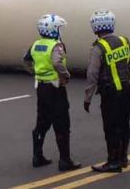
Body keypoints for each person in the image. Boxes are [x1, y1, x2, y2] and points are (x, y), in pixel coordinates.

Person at [23, 14, 81, 171]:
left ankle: (37, 156)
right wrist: (66, 75)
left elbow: (26, 60)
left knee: (42, 121)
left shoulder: (36, 44)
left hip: (41, 87)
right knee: (62, 123)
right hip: (55, 88)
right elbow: (57, 62)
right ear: (53, 29)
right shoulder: (56, 45)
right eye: (59, 28)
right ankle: (65, 160)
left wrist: (35, 72)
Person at [84, 10, 130, 173]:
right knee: (124, 124)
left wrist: (88, 97)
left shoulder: (98, 47)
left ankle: (113, 162)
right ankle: (123, 158)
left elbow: (92, 74)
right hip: (127, 90)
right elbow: (128, 63)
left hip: (111, 93)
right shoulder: (124, 40)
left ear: (95, 27)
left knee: (111, 127)